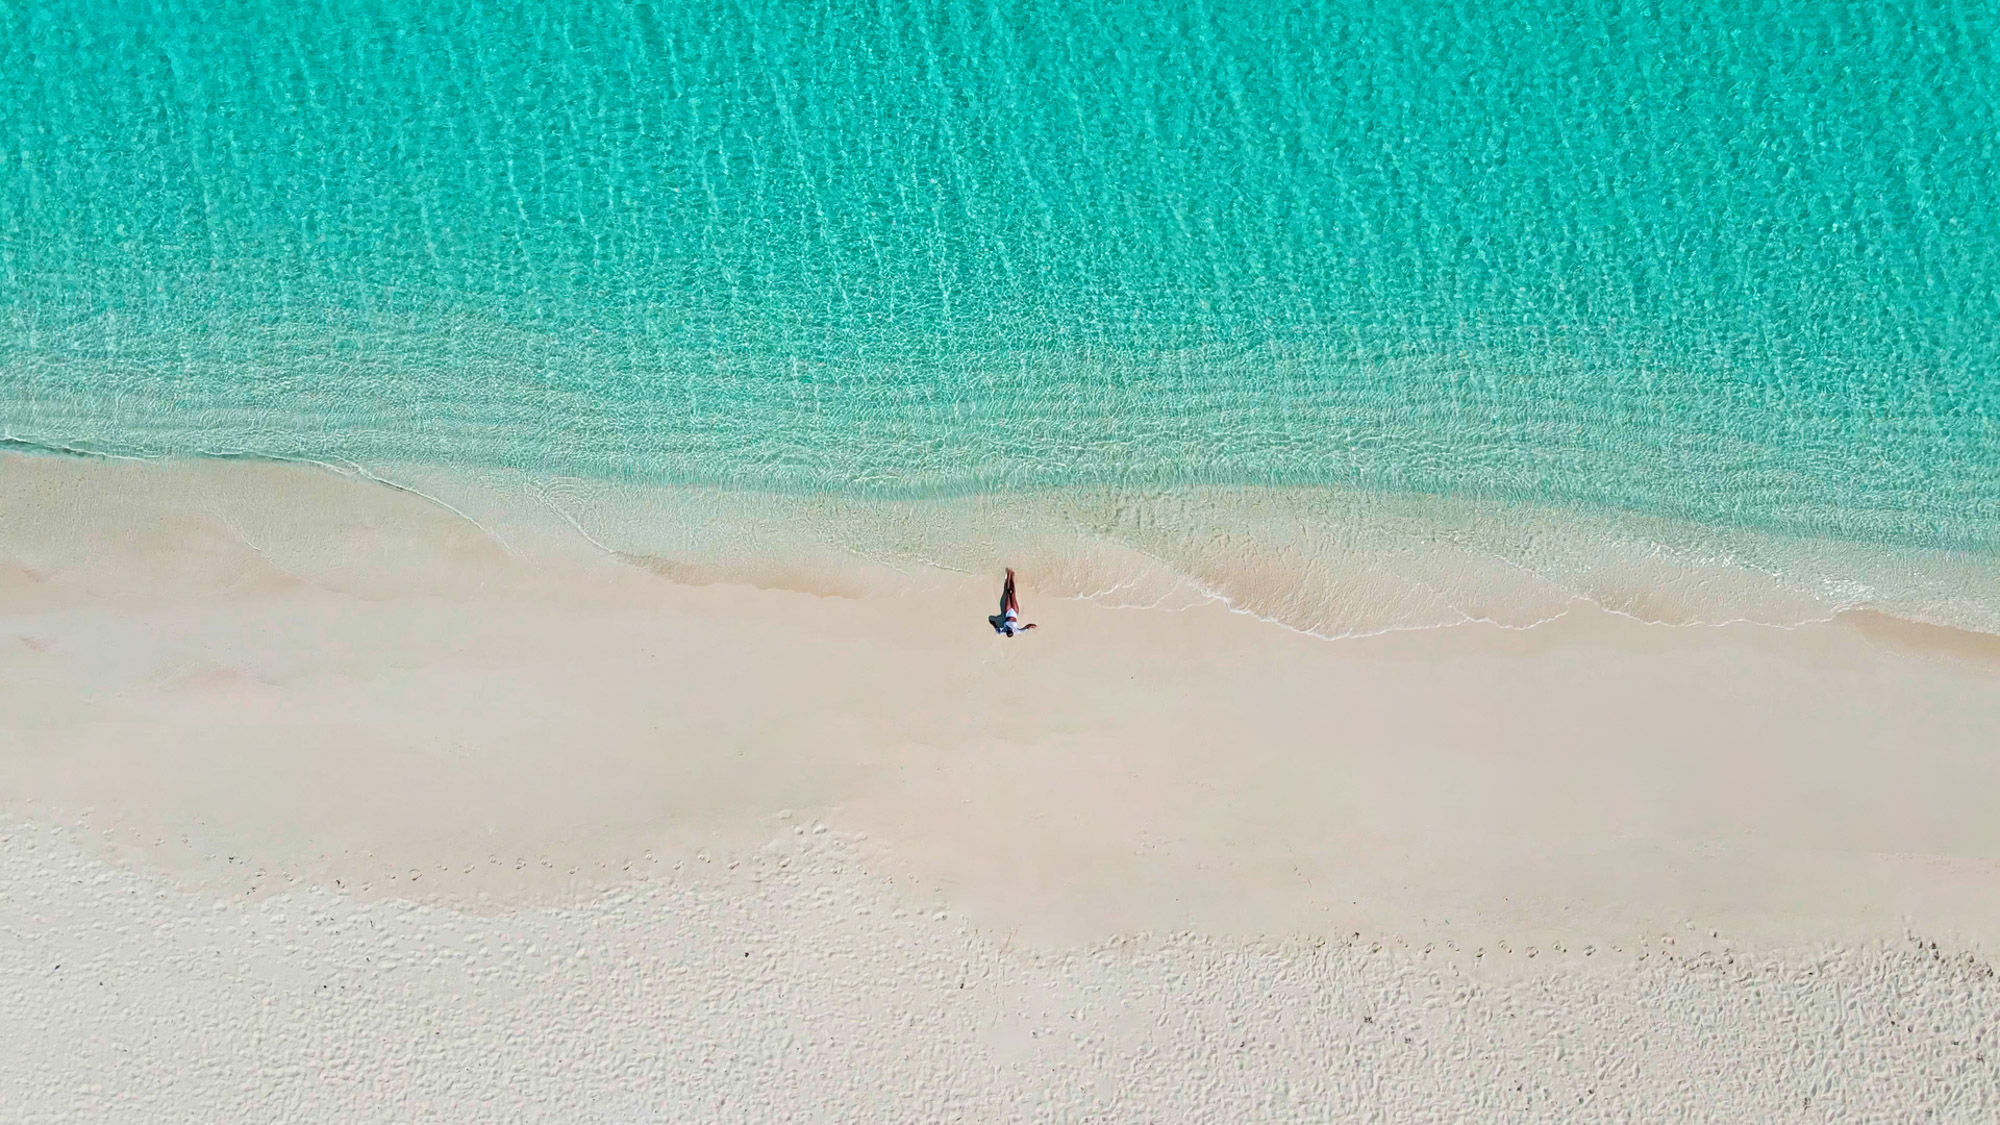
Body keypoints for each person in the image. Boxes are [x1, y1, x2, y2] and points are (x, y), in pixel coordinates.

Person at [989, 568, 1037, 637]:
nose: (1009, 629)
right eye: (1010, 630)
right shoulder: (1016, 631)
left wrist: (993, 623)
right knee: (1012, 593)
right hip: (1014, 613)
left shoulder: (1003, 631)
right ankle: (1012, 577)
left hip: (1007, 612)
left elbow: (998, 631)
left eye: (1008, 630)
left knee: (1008, 593)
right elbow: (1025, 629)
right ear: (1012, 632)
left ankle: (1009, 575)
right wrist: (1030, 626)